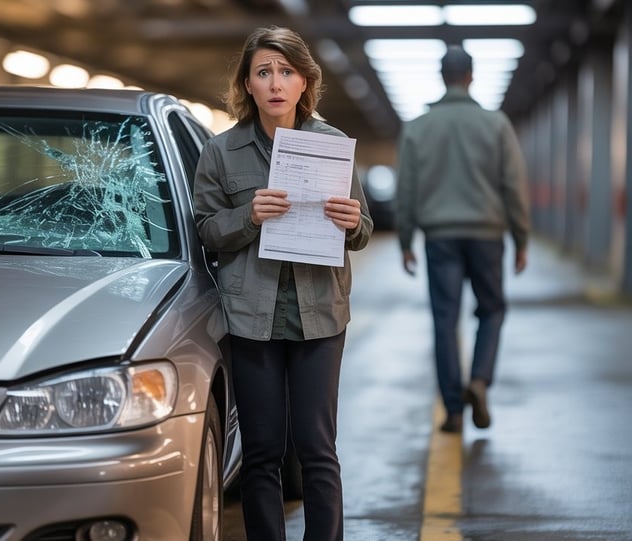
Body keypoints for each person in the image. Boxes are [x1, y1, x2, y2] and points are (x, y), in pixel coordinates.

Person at [193, 26, 373, 541]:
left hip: (321, 316)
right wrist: (248, 216)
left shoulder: (332, 146)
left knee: (317, 449)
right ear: (247, 84)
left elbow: (363, 231)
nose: (275, 83)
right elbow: (206, 230)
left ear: (304, 82)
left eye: (286, 72)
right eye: (263, 72)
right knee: (262, 451)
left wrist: (352, 222)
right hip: (252, 318)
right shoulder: (221, 152)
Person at [394, 45, 530, 434]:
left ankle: (453, 411)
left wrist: (406, 240)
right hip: (487, 235)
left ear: (442, 77)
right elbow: (514, 185)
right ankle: (480, 380)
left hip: (440, 237)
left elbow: (406, 189)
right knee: (492, 310)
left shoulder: (418, 127)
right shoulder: (496, 124)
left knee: (445, 320)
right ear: (471, 76)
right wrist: (520, 237)